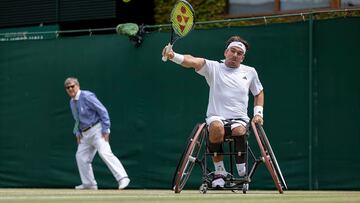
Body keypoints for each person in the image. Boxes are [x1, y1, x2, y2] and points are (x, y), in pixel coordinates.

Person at [162, 36, 264, 188]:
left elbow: (258, 92)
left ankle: (242, 170)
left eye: (239, 53)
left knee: (240, 130)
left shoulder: (250, 72)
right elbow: (193, 61)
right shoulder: (213, 67)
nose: (235, 55)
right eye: (232, 51)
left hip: (239, 119)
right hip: (216, 117)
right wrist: (173, 56)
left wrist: (258, 114)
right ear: (226, 52)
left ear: (243, 57)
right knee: (216, 128)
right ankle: (220, 172)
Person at [64, 77, 130, 190]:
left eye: (72, 86)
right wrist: (78, 133)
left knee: (105, 153)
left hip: (97, 130)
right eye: (68, 87)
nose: (70, 89)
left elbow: (102, 110)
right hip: (84, 134)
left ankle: (123, 178)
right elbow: (77, 119)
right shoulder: (72, 102)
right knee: (80, 157)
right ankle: (89, 184)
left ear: (78, 86)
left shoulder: (87, 96)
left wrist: (106, 128)